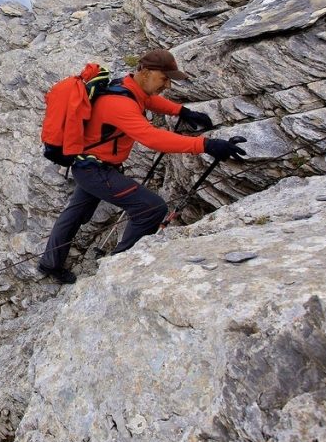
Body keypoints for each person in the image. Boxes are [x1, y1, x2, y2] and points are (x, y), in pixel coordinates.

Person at [38, 49, 247, 284]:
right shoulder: (119, 104)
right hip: (95, 170)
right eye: (164, 79)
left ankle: (50, 263)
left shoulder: (126, 86)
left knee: (74, 214)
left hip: (89, 165)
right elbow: (151, 137)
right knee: (151, 208)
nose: (167, 85)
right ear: (145, 72)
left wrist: (182, 111)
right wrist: (206, 144)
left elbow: (149, 100)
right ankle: (117, 269)